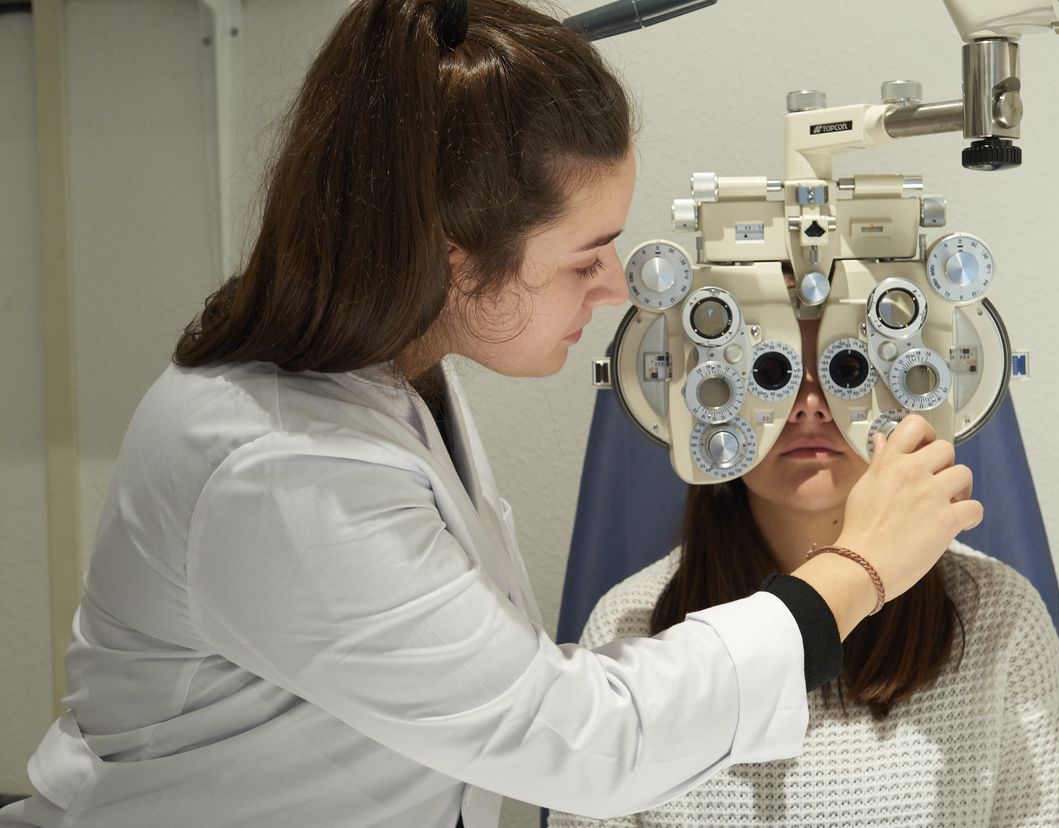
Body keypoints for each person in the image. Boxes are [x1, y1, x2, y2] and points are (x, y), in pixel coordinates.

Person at [0, 2, 982, 827]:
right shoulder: (281, 467)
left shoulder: (398, 379)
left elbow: (502, 695)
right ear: (452, 259)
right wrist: (857, 569)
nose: (613, 290)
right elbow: (585, 744)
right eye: (584, 258)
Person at [548, 318, 1059, 828]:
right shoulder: (628, 626)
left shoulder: (1000, 618)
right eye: (769, 371)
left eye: (849, 370)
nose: (809, 407)